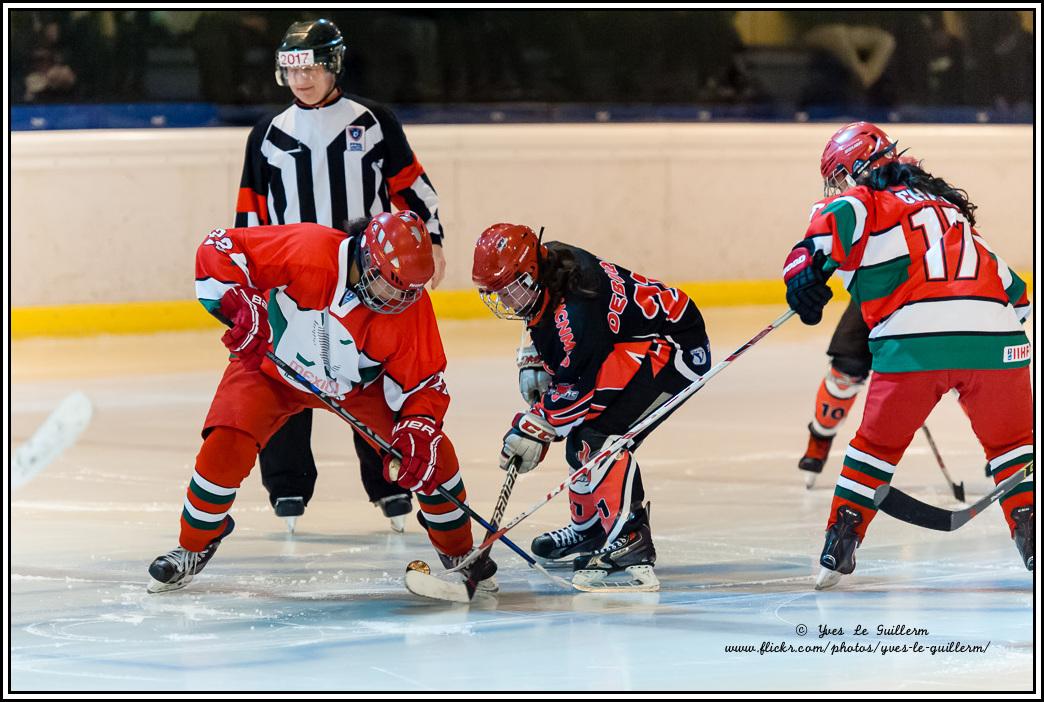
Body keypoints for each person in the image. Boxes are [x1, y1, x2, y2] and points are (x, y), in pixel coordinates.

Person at [147, 212, 495, 594]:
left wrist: (417, 424)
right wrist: (238, 302)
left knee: (430, 455)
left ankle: (460, 552)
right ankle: (194, 544)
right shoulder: (307, 249)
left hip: (356, 391)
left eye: (408, 292)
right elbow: (220, 246)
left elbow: (425, 383)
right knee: (225, 444)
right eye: (388, 287)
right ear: (364, 259)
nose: (396, 301)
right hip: (270, 370)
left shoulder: (409, 305)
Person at [782, 122, 1033, 589]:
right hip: (998, 339)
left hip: (913, 343)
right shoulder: (950, 209)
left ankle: (839, 545)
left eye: (840, 176)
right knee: (1013, 448)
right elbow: (1018, 297)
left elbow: (821, 235)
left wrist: (802, 277)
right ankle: (1031, 533)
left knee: (874, 450)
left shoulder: (864, 200)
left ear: (854, 169)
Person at [234, 18, 447, 533]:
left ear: (333, 66)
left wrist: (433, 240)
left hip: (366, 277)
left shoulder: (374, 121)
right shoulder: (266, 133)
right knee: (287, 377)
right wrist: (249, 275)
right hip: (292, 280)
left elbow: (411, 188)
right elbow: (250, 212)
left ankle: (390, 483)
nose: (300, 79)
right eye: (290, 69)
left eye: (308, 67)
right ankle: (286, 487)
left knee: (373, 379)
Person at [471, 224, 712, 591]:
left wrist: (534, 426)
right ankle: (590, 530)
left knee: (600, 437)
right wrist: (537, 355)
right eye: (497, 291)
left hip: (675, 348)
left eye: (510, 289)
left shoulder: (579, 307)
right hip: (630, 341)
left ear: (532, 271)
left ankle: (630, 539)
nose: (504, 300)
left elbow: (574, 394)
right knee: (583, 439)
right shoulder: (550, 260)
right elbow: (551, 327)